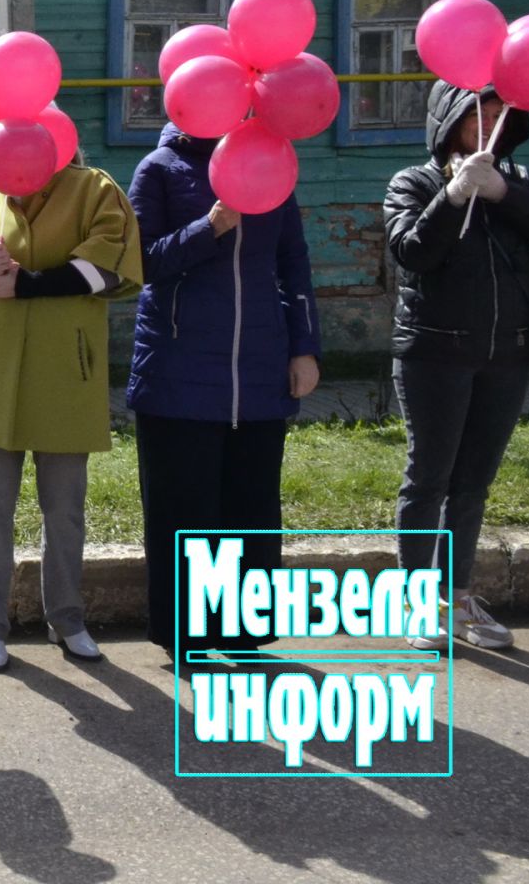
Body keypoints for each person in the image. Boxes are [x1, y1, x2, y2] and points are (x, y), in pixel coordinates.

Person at [0, 156, 142, 672]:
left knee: (65, 509)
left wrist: (25, 283)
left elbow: (110, 265)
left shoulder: (94, 188)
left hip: (63, 377)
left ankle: (68, 619)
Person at [127, 122, 321, 659]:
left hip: (259, 368)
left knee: (251, 507)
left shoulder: (273, 162)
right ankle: (188, 637)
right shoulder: (160, 170)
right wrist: (207, 228)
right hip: (177, 371)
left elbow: (293, 261)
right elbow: (138, 264)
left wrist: (304, 348)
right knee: (183, 510)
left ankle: (242, 632)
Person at [385, 82, 529, 651]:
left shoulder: (514, 182)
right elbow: (413, 252)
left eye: (499, 116)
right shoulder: (413, 182)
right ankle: (417, 602)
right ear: (451, 120)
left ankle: (460, 595)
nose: (488, 126)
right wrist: (452, 196)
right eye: (478, 115)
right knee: (430, 479)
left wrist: (501, 193)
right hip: (435, 353)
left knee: (473, 484)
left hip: (506, 353)